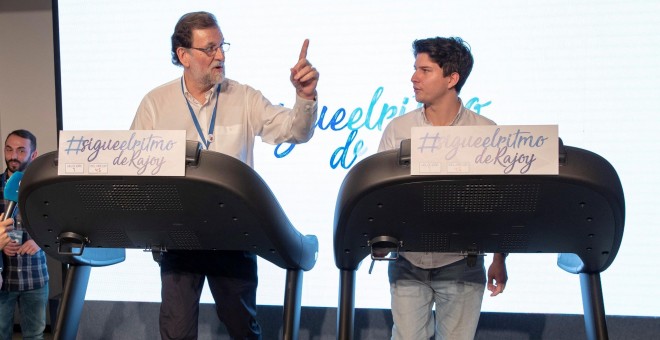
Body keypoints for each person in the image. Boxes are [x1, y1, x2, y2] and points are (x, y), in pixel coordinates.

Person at [130, 11, 319, 340]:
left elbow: (295, 131)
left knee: (242, 328)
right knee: (175, 331)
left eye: (222, 46)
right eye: (210, 49)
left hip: (233, 234)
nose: (220, 55)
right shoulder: (155, 104)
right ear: (183, 56)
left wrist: (304, 97)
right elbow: (133, 165)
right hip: (179, 236)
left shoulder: (244, 97)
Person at [378, 37, 508, 340]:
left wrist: (500, 259)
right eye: (415, 69)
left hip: (463, 263)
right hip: (408, 261)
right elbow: (380, 196)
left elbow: (501, 204)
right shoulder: (398, 129)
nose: (414, 78)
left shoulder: (485, 131)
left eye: (425, 70)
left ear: (452, 78)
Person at [0, 129, 49, 340]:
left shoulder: (45, 189)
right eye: (9, 149)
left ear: (33, 155)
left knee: (35, 335)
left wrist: (41, 241)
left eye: (21, 150)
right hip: (3, 278)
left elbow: (61, 225)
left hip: (35, 276)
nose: (13, 156)